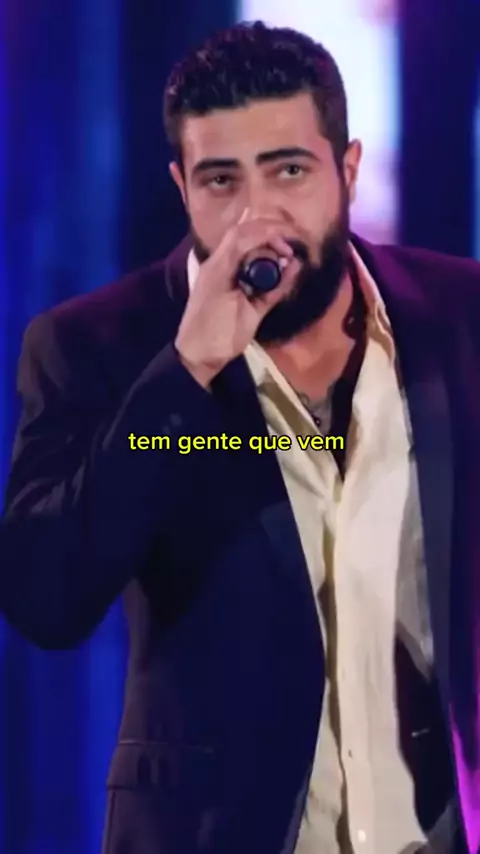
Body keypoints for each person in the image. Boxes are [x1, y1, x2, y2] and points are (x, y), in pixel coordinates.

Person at [0, 19, 479, 854]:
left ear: (347, 171)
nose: (258, 217)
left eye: (289, 170)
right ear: (182, 187)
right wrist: (186, 372)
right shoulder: (96, 346)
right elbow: (46, 597)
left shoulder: (461, 317)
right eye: (222, 180)